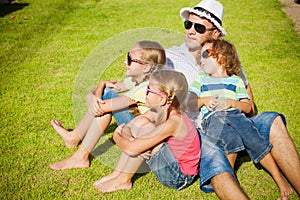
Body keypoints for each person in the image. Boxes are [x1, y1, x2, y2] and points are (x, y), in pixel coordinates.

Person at [166, 0, 300, 198]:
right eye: (188, 24)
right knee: (216, 158)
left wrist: (233, 108)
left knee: (274, 121)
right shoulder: (172, 56)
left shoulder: (226, 57)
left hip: (236, 118)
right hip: (203, 131)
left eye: (199, 27)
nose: (191, 30)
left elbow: (250, 106)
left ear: (215, 33)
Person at [188, 38, 293, 198]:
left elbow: (248, 107)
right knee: (230, 137)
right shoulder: (201, 79)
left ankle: (279, 179)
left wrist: (232, 103)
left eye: (206, 53)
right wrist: (204, 100)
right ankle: (231, 180)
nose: (202, 58)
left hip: (235, 115)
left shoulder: (235, 81)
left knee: (254, 138)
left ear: (222, 57)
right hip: (213, 118)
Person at [49, 40, 166, 170]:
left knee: (106, 99)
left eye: (130, 59)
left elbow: (101, 105)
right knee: (106, 97)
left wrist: (93, 96)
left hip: (142, 142)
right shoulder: (137, 81)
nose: (124, 62)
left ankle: (78, 151)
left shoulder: (145, 88)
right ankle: (75, 141)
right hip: (137, 130)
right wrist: (100, 86)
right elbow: (107, 92)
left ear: (146, 67)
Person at [93, 69, 200, 193]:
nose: (145, 92)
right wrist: (129, 136)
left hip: (179, 176)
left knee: (145, 130)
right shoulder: (159, 110)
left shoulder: (174, 122)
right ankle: (117, 173)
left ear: (162, 100)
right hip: (170, 161)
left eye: (149, 90)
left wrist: (119, 137)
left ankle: (124, 179)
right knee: (141, 124)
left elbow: (132, 149)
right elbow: (134, 123)